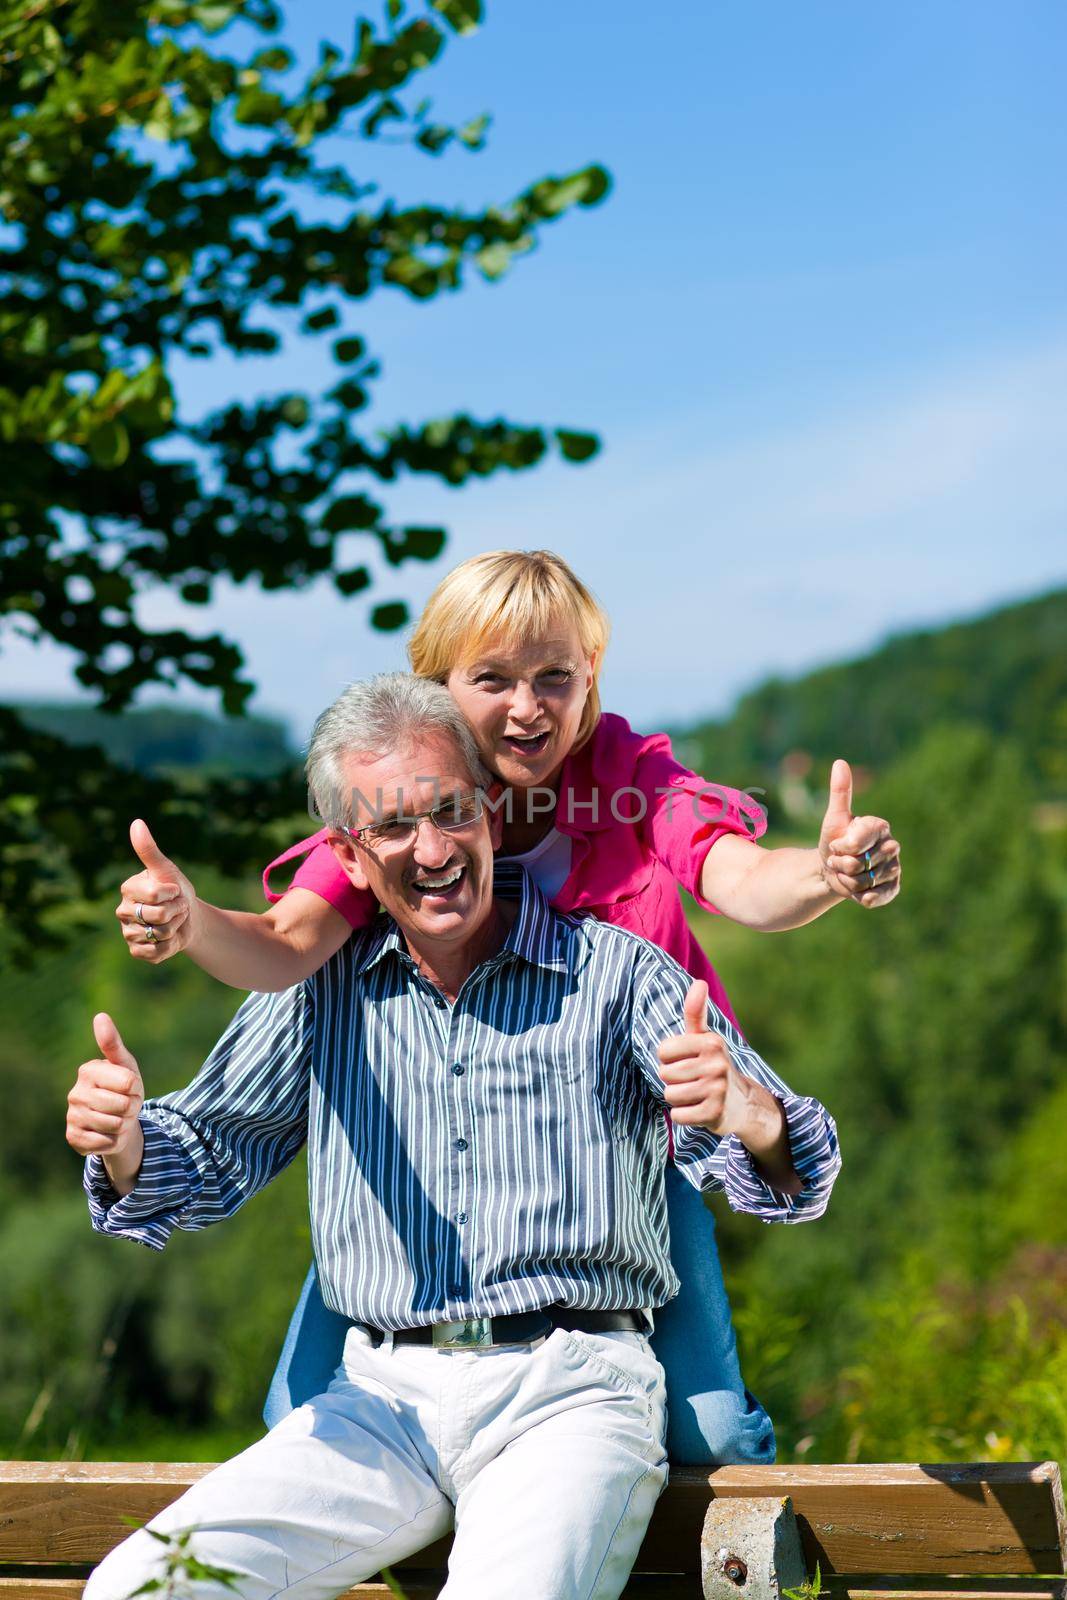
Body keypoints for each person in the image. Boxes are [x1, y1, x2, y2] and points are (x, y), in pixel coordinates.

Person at [114, 549, 899, 1462]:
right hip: (443, 1151)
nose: (528, 707)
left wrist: (825, 870)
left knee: (711, 1433)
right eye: (493, 679)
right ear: (438, 685)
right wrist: (190, 921)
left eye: (553, 676)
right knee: (298, 1418)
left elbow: (741, 879)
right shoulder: (402, 803)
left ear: (589, 678)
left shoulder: (622, 777)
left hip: (621, 1153)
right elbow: (286, 946)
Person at [72, 674, 841, 1600]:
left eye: (452, 812)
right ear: (350, 858)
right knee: (141, 1590)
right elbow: (197, 1163)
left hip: (575, 1390)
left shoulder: (614, 973)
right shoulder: (321, 991)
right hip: (378, 1401)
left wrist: (747, 1114)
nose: (432, 849)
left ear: (490, 815)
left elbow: (799, 1174)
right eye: (394, 827)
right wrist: (120, 1142)